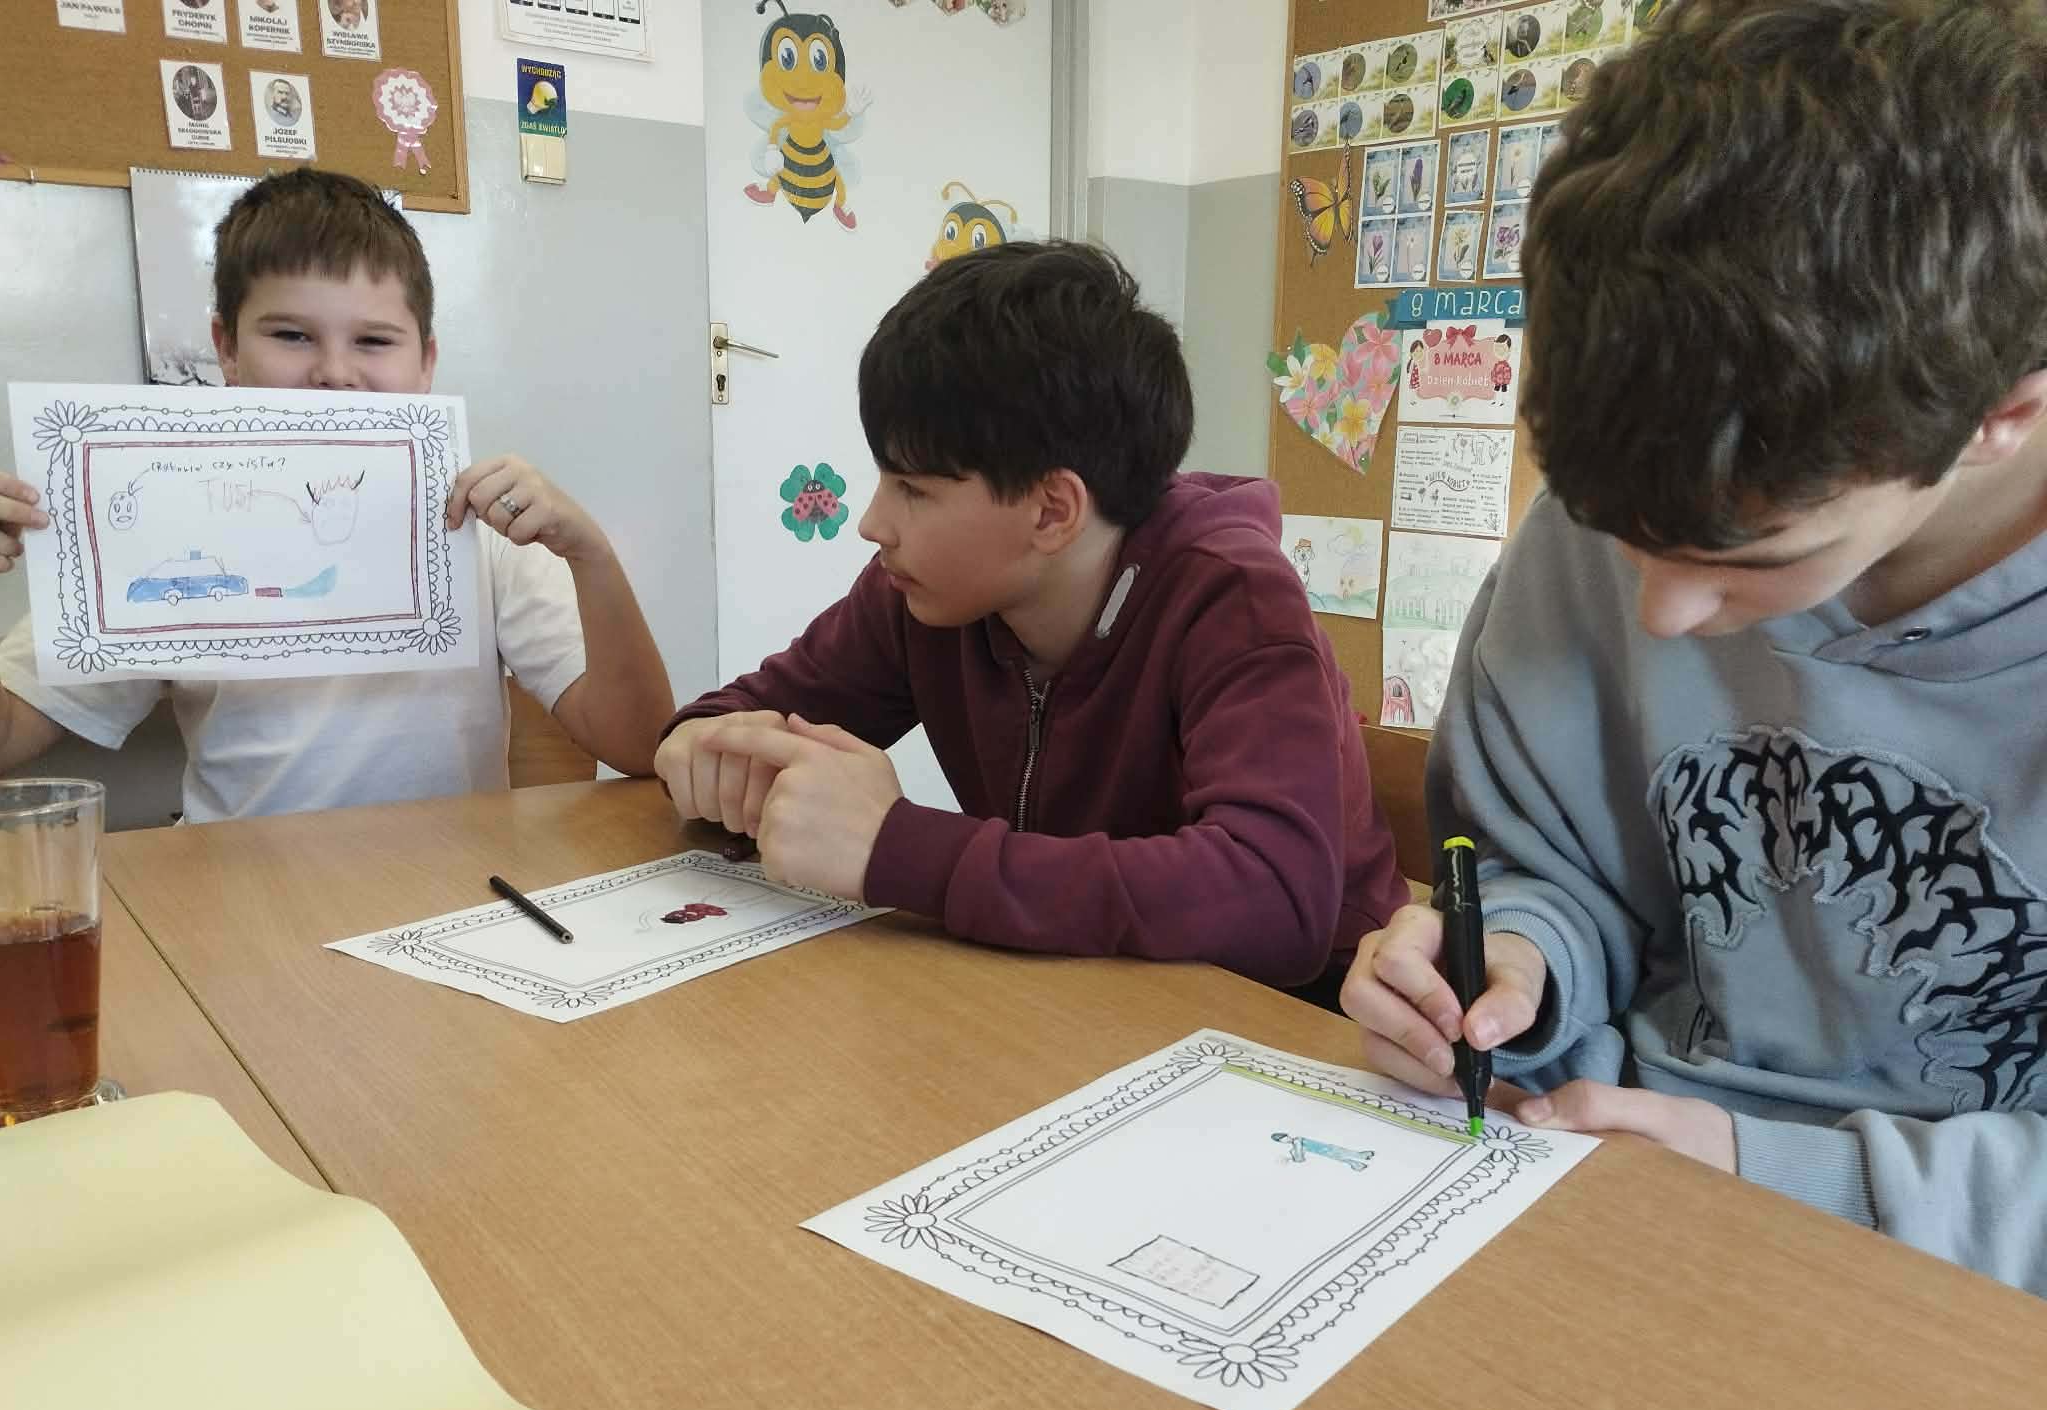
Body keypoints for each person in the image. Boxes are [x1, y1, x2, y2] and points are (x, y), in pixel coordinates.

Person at [1340, 0, 2047, 1294]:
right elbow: (1553, 869)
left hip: (1962, 1299)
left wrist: (1788, 1177)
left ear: (1998, 418)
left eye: (1750, 558)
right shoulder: (1631, 499)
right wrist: (1520, 959)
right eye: (1614, 534)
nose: (1659, 615)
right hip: (1589, 1195)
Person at [654, 242, 1408, 994]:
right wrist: (702, 745)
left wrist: (901, 849)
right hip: (1069, 987)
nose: (872, 523)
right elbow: (747, 711)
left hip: (1290, 1018)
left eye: (913, 489)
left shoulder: (1234, 600)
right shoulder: (921, 595)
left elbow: (1275, 900)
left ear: (1052, 510)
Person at [0, 169, 673, 821]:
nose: (334, 373)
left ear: (425, 362)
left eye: (374, 341)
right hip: (235, 878)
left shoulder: (484, 523)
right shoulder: (170, 523)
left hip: (447, 876)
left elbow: (640, 744)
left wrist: (590, 554)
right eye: (291, 335)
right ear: (226, 349)